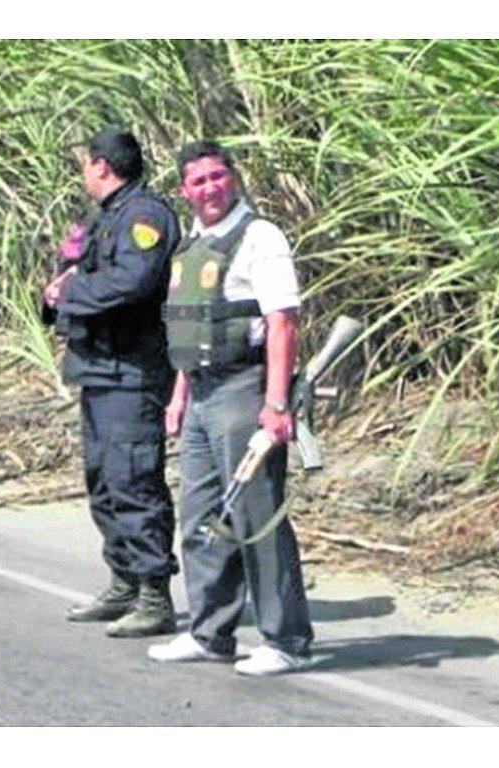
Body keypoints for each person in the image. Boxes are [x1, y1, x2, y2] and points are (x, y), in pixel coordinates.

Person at [146, 140, 314, 676]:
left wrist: (276, 403)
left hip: (246, 390)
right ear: (183, 191)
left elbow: (282, 322)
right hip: (200, 394)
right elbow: (189, 330)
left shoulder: (260, 238)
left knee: (256, 516)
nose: (210, 189)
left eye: (218, 177)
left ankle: (285, 638)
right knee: (200, 516)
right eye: (198, 182)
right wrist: (178, 397)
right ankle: (209, 632)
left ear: (233, 178)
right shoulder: (193, 244)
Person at [42, 128, 180, 638]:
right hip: (97, 368)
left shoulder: (145, 215)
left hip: (132, 370)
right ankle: (123, 580)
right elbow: (77, 275)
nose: (84, 174)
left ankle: (153, 594)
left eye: (85, 165)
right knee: (102, 480)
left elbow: (134, 281)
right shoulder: (103, 218)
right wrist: (59, 282)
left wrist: (73, 288)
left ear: (101, 165)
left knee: (133, 479)